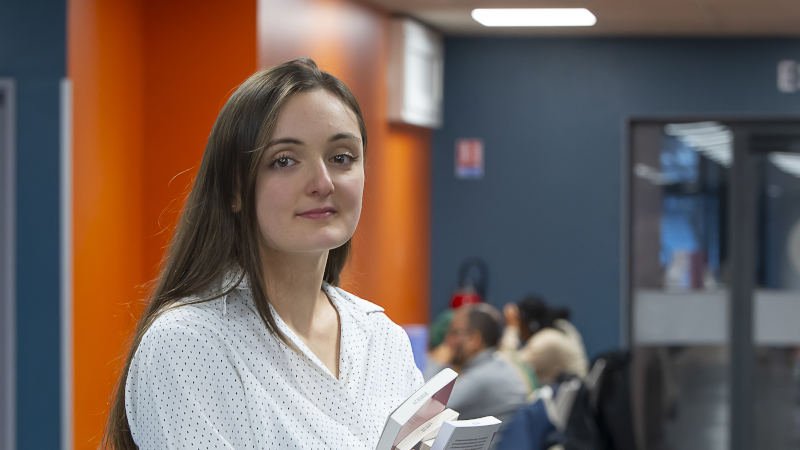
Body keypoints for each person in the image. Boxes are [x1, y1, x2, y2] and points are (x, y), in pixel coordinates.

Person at [103, 58, 423, 449]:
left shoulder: (382, 339)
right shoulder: (188, 343)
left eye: (341, 157)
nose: (322, 183)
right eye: (284, 161)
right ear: (236, 188)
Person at [439, 303, 529, 424]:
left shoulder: (481, 377)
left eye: (455, 333)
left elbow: (424, 415)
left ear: (474, 339)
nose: (447, 340)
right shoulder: (495, 366)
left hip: (492, 443)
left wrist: (437, 362)